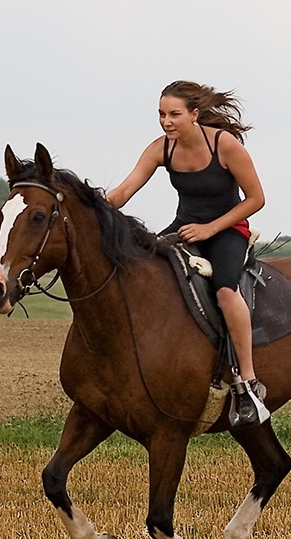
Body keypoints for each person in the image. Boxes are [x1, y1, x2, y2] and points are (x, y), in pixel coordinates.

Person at [105, 80, 269, 427]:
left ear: (194, 115)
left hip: (227, 231)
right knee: (141, 269)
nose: (166, 121)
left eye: (174, 114)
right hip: (184, 228)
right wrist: (89, 203)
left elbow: (256, 199)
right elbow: (123, 191)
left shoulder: (224, 145)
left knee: (225, 289)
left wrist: (210, 229)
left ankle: (249, 384)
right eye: (161, 114)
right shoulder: (160, 149)